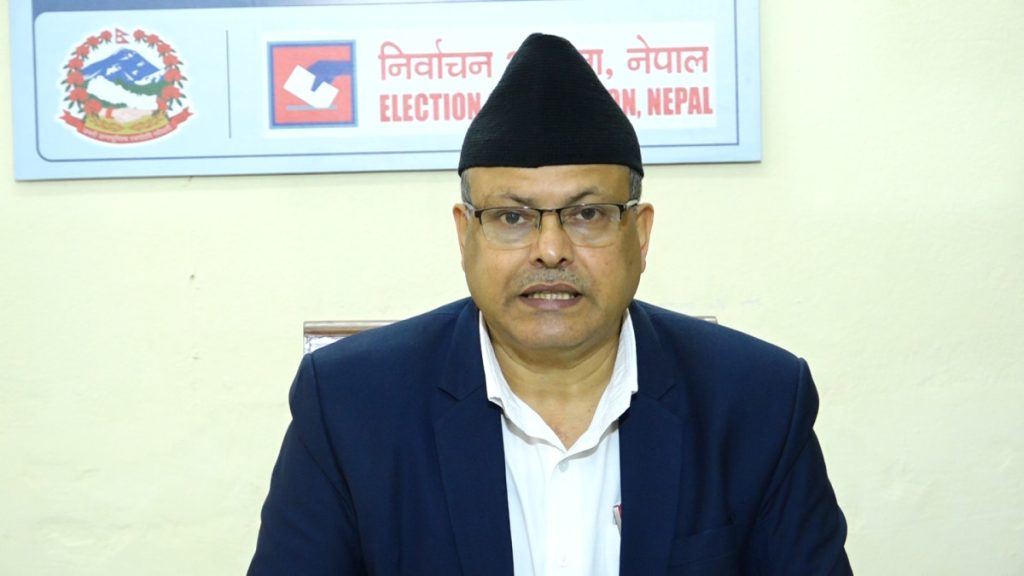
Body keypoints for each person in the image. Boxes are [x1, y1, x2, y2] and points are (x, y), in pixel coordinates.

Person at [248, 33, 852, 575]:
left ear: (640, 235)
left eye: (587, 214)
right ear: (465, 235)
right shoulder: (351, 406)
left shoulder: (757, 402)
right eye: (511, 217)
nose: (551, 249)